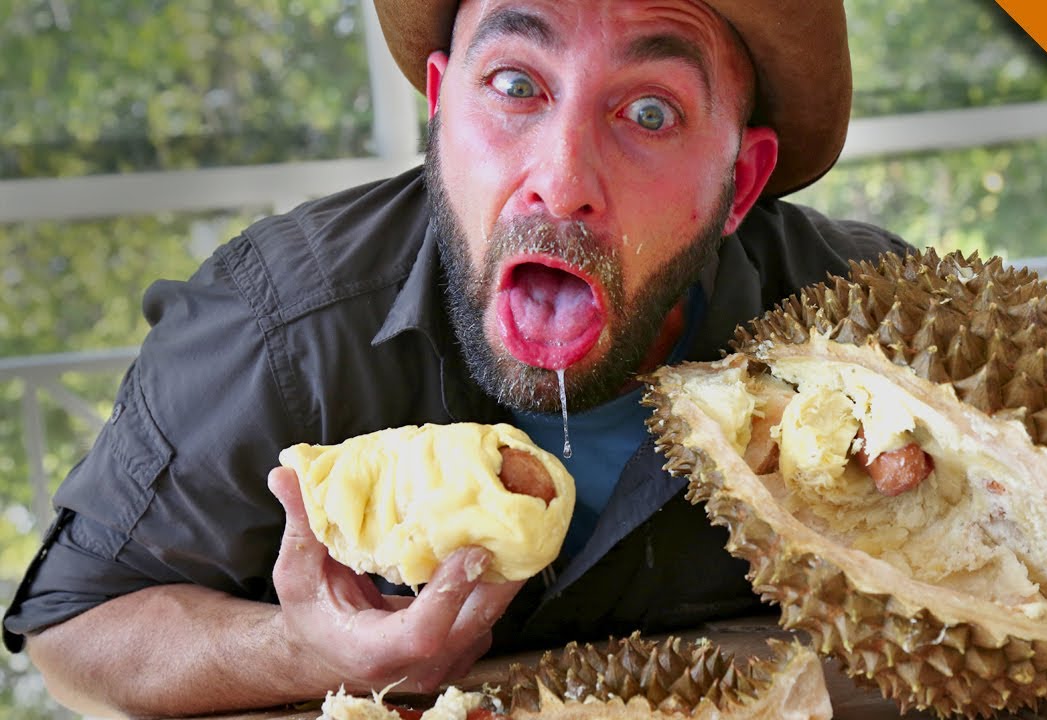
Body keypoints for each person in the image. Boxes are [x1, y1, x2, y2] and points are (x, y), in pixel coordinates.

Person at [3, 0, 910, 716]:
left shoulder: (875, 332)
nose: (562, 181)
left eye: (648, 111)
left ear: (740, 183)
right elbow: (72, 631)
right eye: (516, 85)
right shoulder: (277, 326)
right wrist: (301, 650)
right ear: (439, 109)